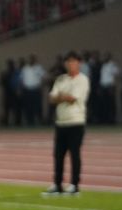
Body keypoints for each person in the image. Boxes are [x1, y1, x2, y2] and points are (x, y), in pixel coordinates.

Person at [43, 51, 90, 196]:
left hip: (75, 122)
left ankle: (74, 185)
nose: (70, 64)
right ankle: (57, 184)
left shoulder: (82, 80)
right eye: (68, 61)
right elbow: (51, 98)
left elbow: (72, 98)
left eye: (73, 61)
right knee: (58, 155)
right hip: (61, 122)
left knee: (74, 155)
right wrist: (62, 97)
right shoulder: (61, 79)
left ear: (79, 63)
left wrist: (60, 96)